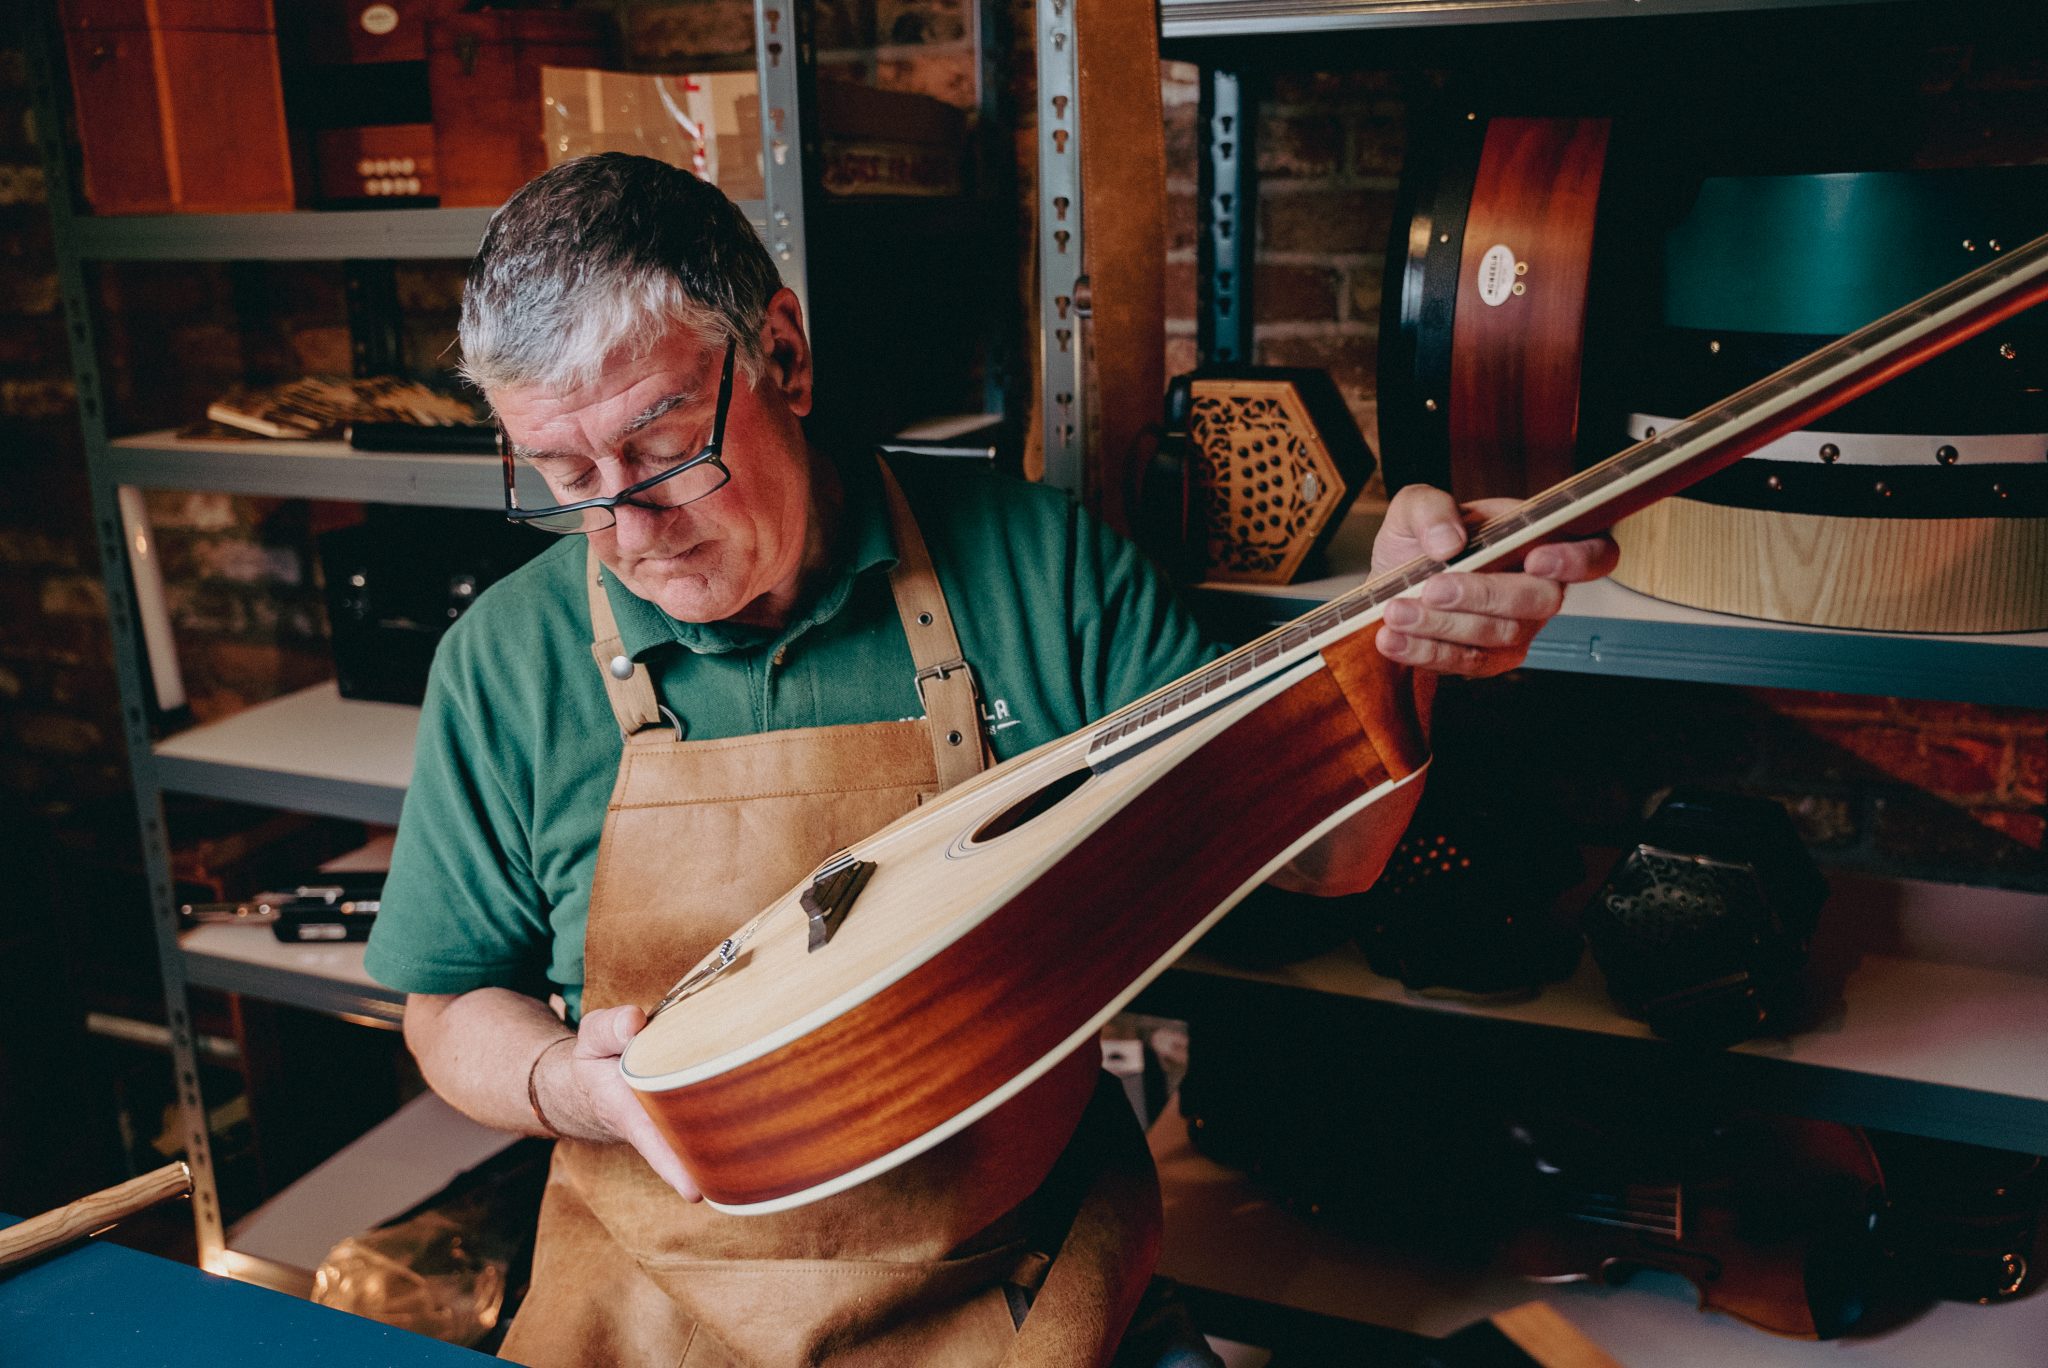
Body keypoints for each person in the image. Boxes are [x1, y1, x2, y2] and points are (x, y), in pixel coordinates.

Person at [364, 153, 1620, 1367]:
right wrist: (571, 1089)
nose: (626, 529)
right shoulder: (507, 657)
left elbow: (1330, 863)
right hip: (648, 1304)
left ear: (783, 356)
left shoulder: (1033, 569)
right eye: (564, 474)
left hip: (1017, 1285)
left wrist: (1401, 646)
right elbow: (445, 1005)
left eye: (661, 449)